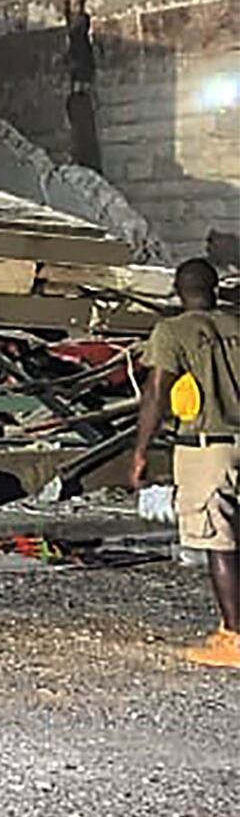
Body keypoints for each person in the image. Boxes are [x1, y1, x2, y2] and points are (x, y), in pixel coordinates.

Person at [128, 257, 240, 669]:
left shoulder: (172, 332)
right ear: (216, 289)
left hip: (207, 447)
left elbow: (157, 393)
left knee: (220, 541)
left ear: (178, 290)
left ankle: (234, 638)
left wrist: (141, 449)